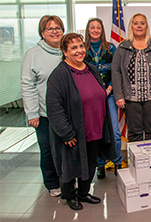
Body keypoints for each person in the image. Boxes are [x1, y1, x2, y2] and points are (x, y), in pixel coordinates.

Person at [46, 33, 116, 211]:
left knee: (91, 162)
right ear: (64, 51)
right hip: (73, 132)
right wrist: (66, 133)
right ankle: (70, 195)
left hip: (94, 128)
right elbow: (54, 107)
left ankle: (84, 193)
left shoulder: (91, 68)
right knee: (70, 165)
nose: (79, 51)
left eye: (81, 46)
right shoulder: (60, 74)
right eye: (73, 48)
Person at [20, 15, 64, 197]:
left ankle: (67, 180)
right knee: (47, 150)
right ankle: (52, 183)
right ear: (42, 33)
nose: (54, 31)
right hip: (44, 114)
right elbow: (27, 85)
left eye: (58, 28)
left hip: (66, 114)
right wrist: (32, 113)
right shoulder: (33, 55)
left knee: (67, 150)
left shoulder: (67, 51)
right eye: (50, 29)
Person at [112, 13, 151, 142]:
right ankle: (137, 162)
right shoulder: (122, 47)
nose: (139, 26)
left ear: (146, 26)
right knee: (134, 133)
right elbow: (116, 71)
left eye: (142, 23)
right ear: (131, 26)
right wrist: (118, 95)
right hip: (130, 100)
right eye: (136, 23)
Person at [84, 17, 122, 179]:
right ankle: (99, 164)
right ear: (88, 30)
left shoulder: (111, 48)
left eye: (98, 27)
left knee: (114, 131)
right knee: (96, 132)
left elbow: (116, 71)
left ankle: (117, 160)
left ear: (102, 30)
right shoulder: (83, 50)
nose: (95, 30)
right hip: (92, 98)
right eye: (92, 27)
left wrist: (109, 88)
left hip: (109, 95)